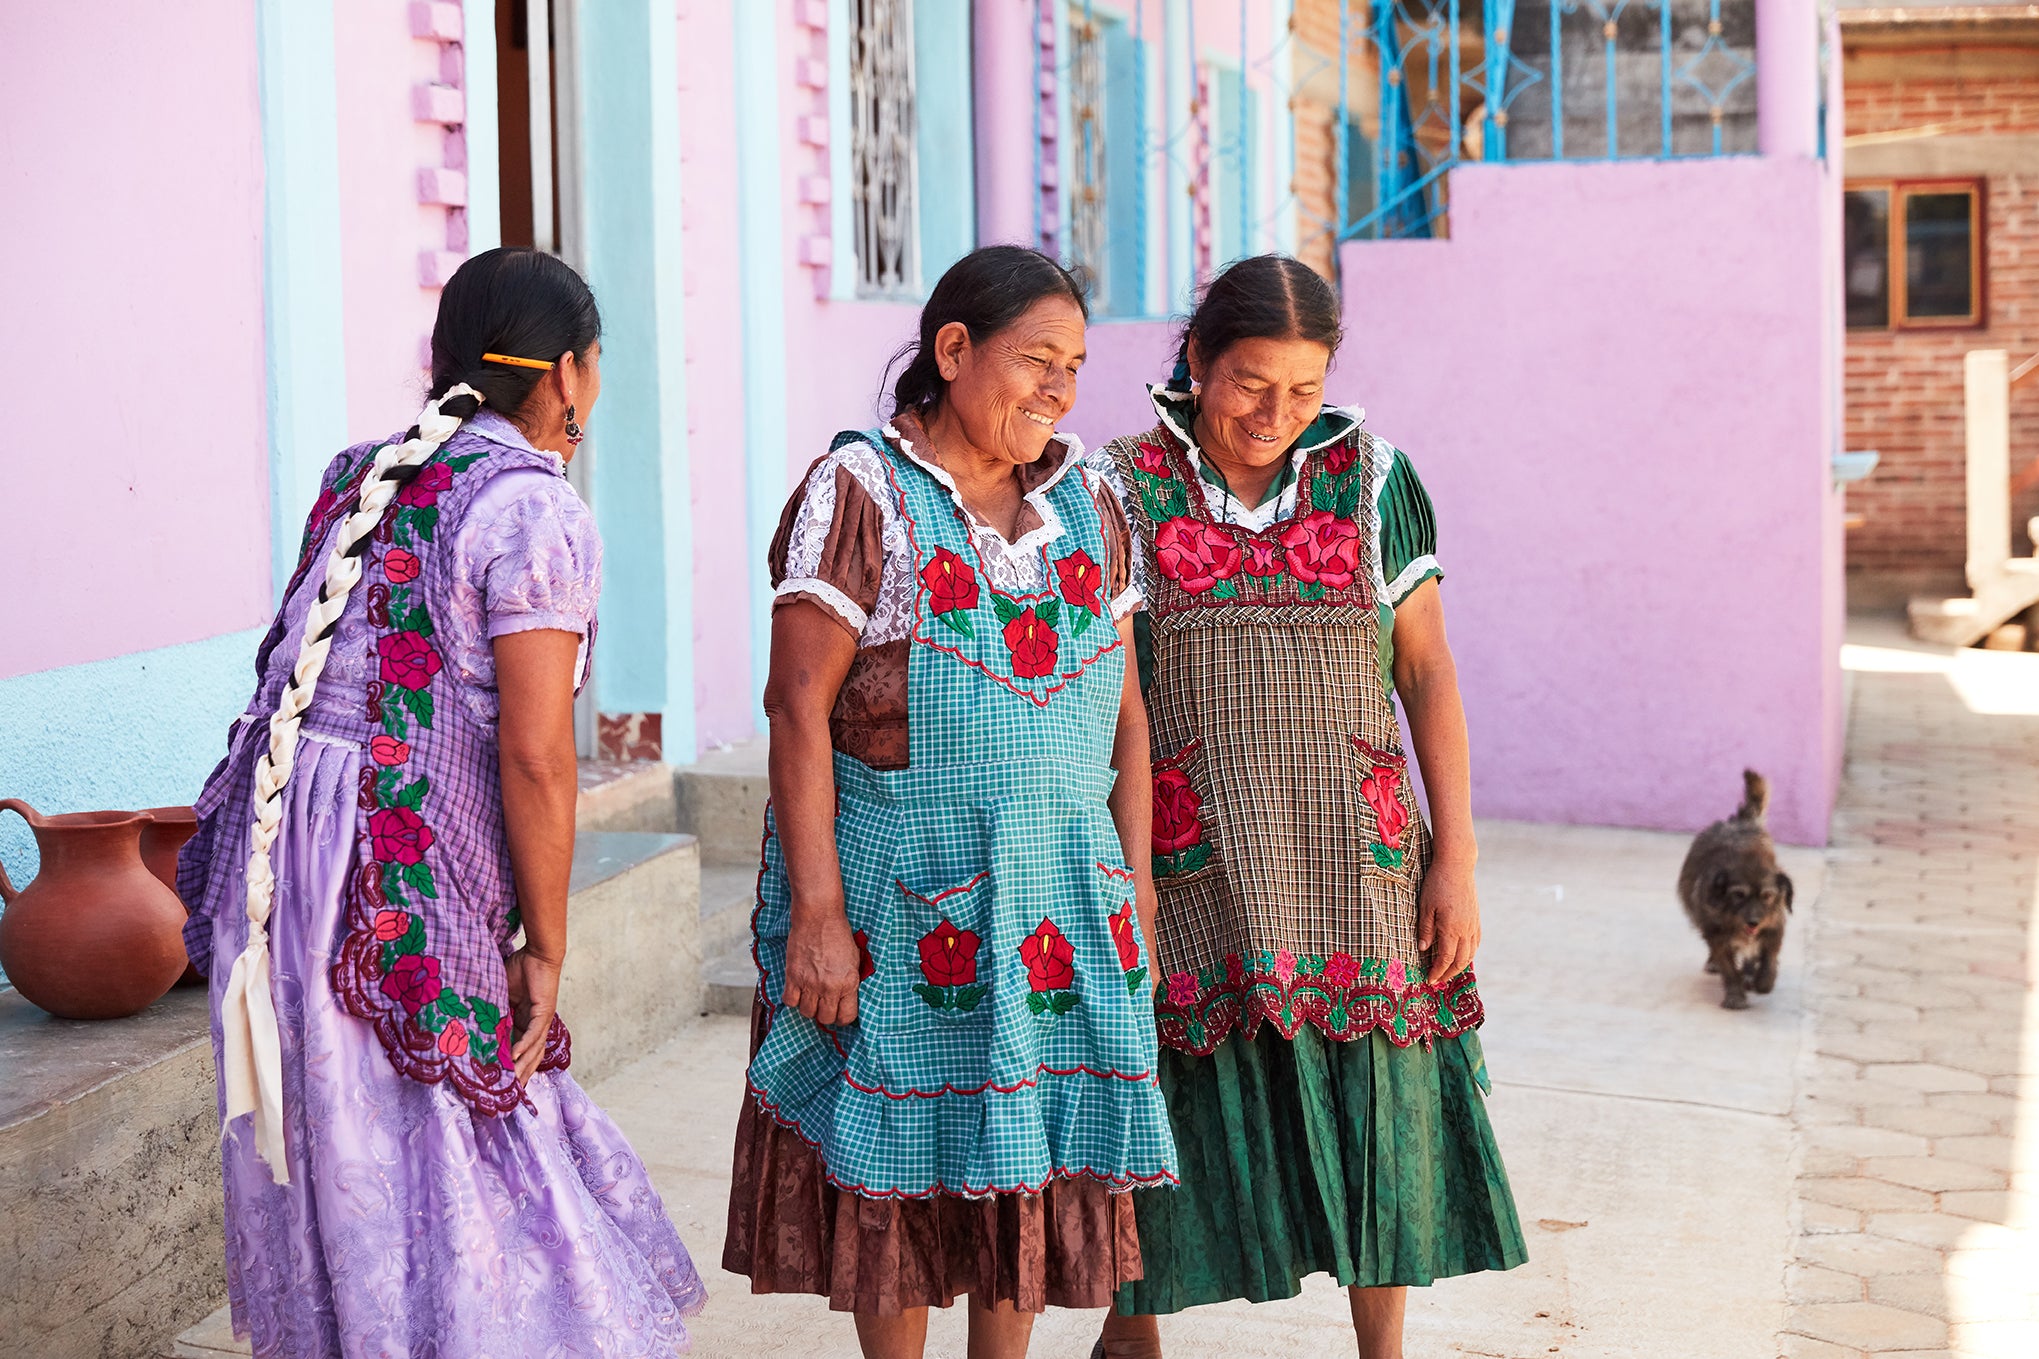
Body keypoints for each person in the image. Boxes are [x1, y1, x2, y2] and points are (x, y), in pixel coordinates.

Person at [177, 248, 705, 1358]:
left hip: (280, 866)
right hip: (394, 865)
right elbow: (535, 757)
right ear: (567, 375)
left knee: (344, 1141)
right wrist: (547, 943)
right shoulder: (531, 511)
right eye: (595, 366)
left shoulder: (360, 478)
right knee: (449, 1129)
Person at [722, 245, 1179, 1359]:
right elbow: (795, 711)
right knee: (907, 1189)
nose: (1058, 390)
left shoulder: (1089, 502)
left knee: (1016, 1169)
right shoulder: (862, 493)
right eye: (1035, 361)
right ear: (953, 350)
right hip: (903, 904)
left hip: (1059, 904)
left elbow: (1125, 718)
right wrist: (819, 919)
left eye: (1072, 367)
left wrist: (1138, 891)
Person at [1085, 255, 1526, 1359]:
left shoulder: (1375, 483)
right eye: (1247, 384)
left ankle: (1381, 1349)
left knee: (1379, 1099)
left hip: (1355, 857)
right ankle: (1129, 1338)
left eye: (1302, 390)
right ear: (1193, 362)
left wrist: (1455, 859)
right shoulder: (1118, 488)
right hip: (1194, 855)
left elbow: (1424, 670)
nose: (1273, 416)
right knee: (1166, 1089)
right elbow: (1109, 691)